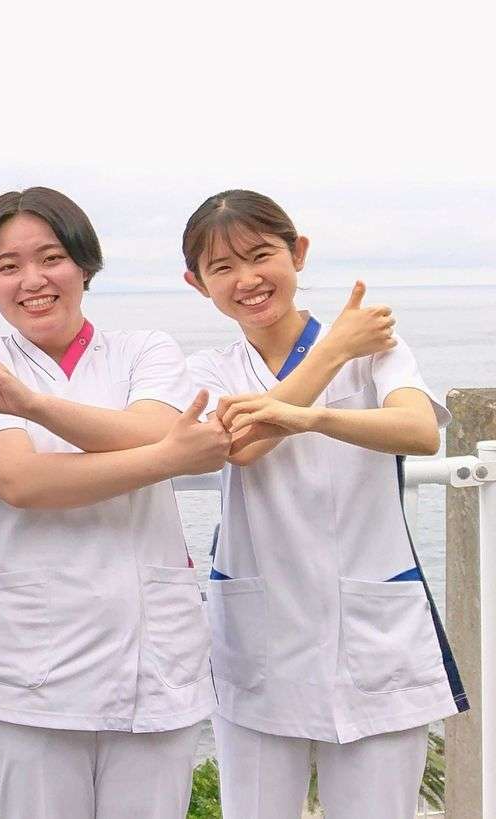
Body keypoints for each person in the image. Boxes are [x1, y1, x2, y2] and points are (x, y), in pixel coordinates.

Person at [0, 186, 228, 817]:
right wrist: (173, 457)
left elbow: (152, 426)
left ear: (84, 264)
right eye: (8, 266)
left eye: (51, 258)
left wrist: (34, 408)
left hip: (152, 661)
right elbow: (24, 483)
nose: (32, 281)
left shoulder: (145, 350)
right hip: (28, 672)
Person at [179, 189, 464, 818]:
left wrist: (309, 418)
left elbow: (419, 431)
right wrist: (333, 352)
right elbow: (241, 446)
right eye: (222, 267)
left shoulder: (378, 349)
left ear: (298, 252)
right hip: (259, 637)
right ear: (197, 283)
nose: (247, 279)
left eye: (261, 255)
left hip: (372, 633)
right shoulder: (208, 370)